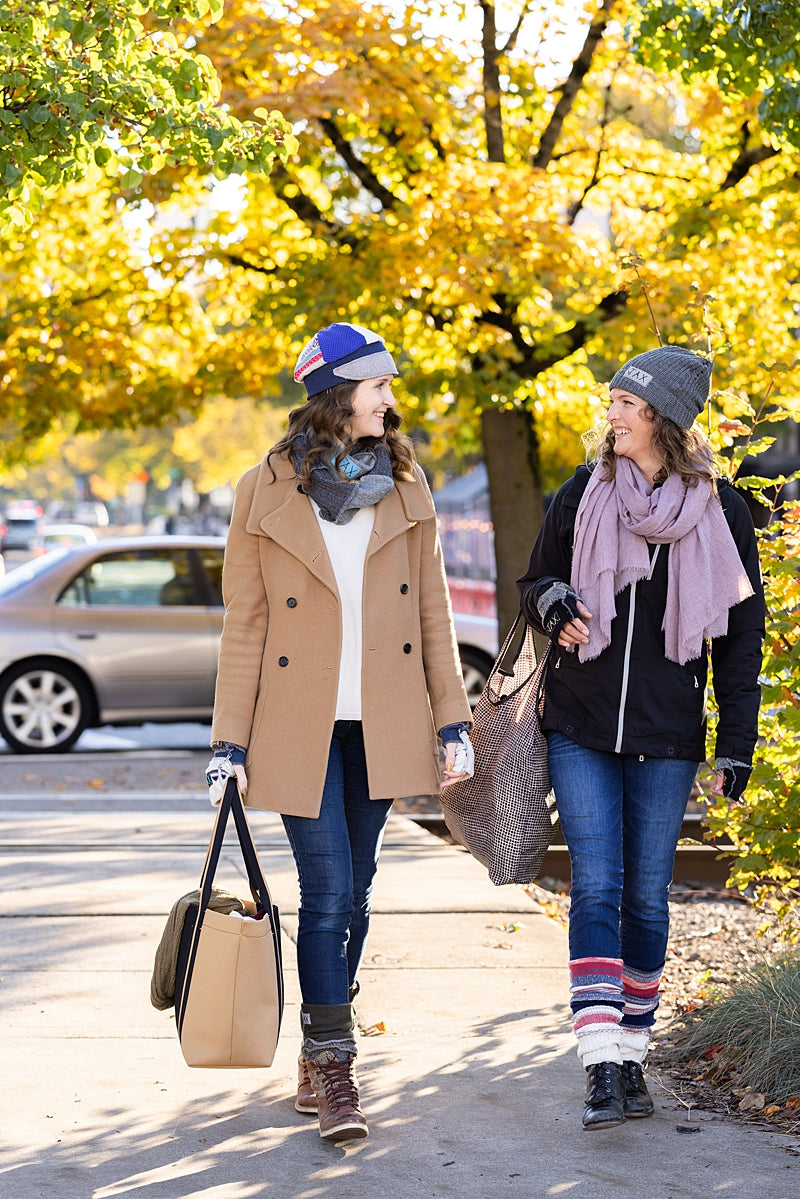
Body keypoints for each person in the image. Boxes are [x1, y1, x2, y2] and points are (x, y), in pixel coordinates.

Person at [206, 322, 474, 1142]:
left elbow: (432, 612)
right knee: (325, 893)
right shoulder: (267, 488)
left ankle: (320, 1042)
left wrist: (454, 719)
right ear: (338, 396)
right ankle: (334, 1067)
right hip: (300, 722)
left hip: (384, 718)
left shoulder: (405, 483)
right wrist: (229, 744)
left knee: (357, 896)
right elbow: (245, 624)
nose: (392, 400)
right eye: (379, 386)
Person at [517, 345, 764, 1131]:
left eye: (626, 402)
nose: (611, 413)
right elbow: (536, 579)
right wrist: (555, 602)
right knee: (594, 885)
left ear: (663, 417)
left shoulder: (719, 509)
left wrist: (737, 743)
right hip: (581, 722)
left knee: (647, 901)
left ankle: (634, 1050)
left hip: (669, 733)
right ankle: (601, 1064)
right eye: (614, 401)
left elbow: (740, 635)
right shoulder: (583, 492)